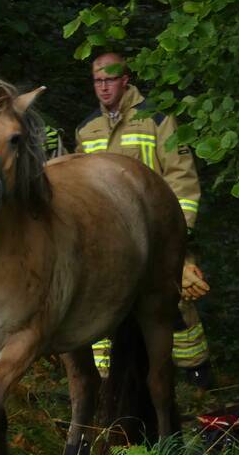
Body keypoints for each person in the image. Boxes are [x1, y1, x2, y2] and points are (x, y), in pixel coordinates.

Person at [76, 52, 213, 387]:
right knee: (100, 307)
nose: (104, 87)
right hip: (108, 241)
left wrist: (180, 238)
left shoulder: (157, 119)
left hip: (156, 234)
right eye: (98, 80)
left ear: (126, 80)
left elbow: (182, 179)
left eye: (110, 79)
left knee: (178, 300)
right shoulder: (86, 129)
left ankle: (196, 377)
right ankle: (107, 385)